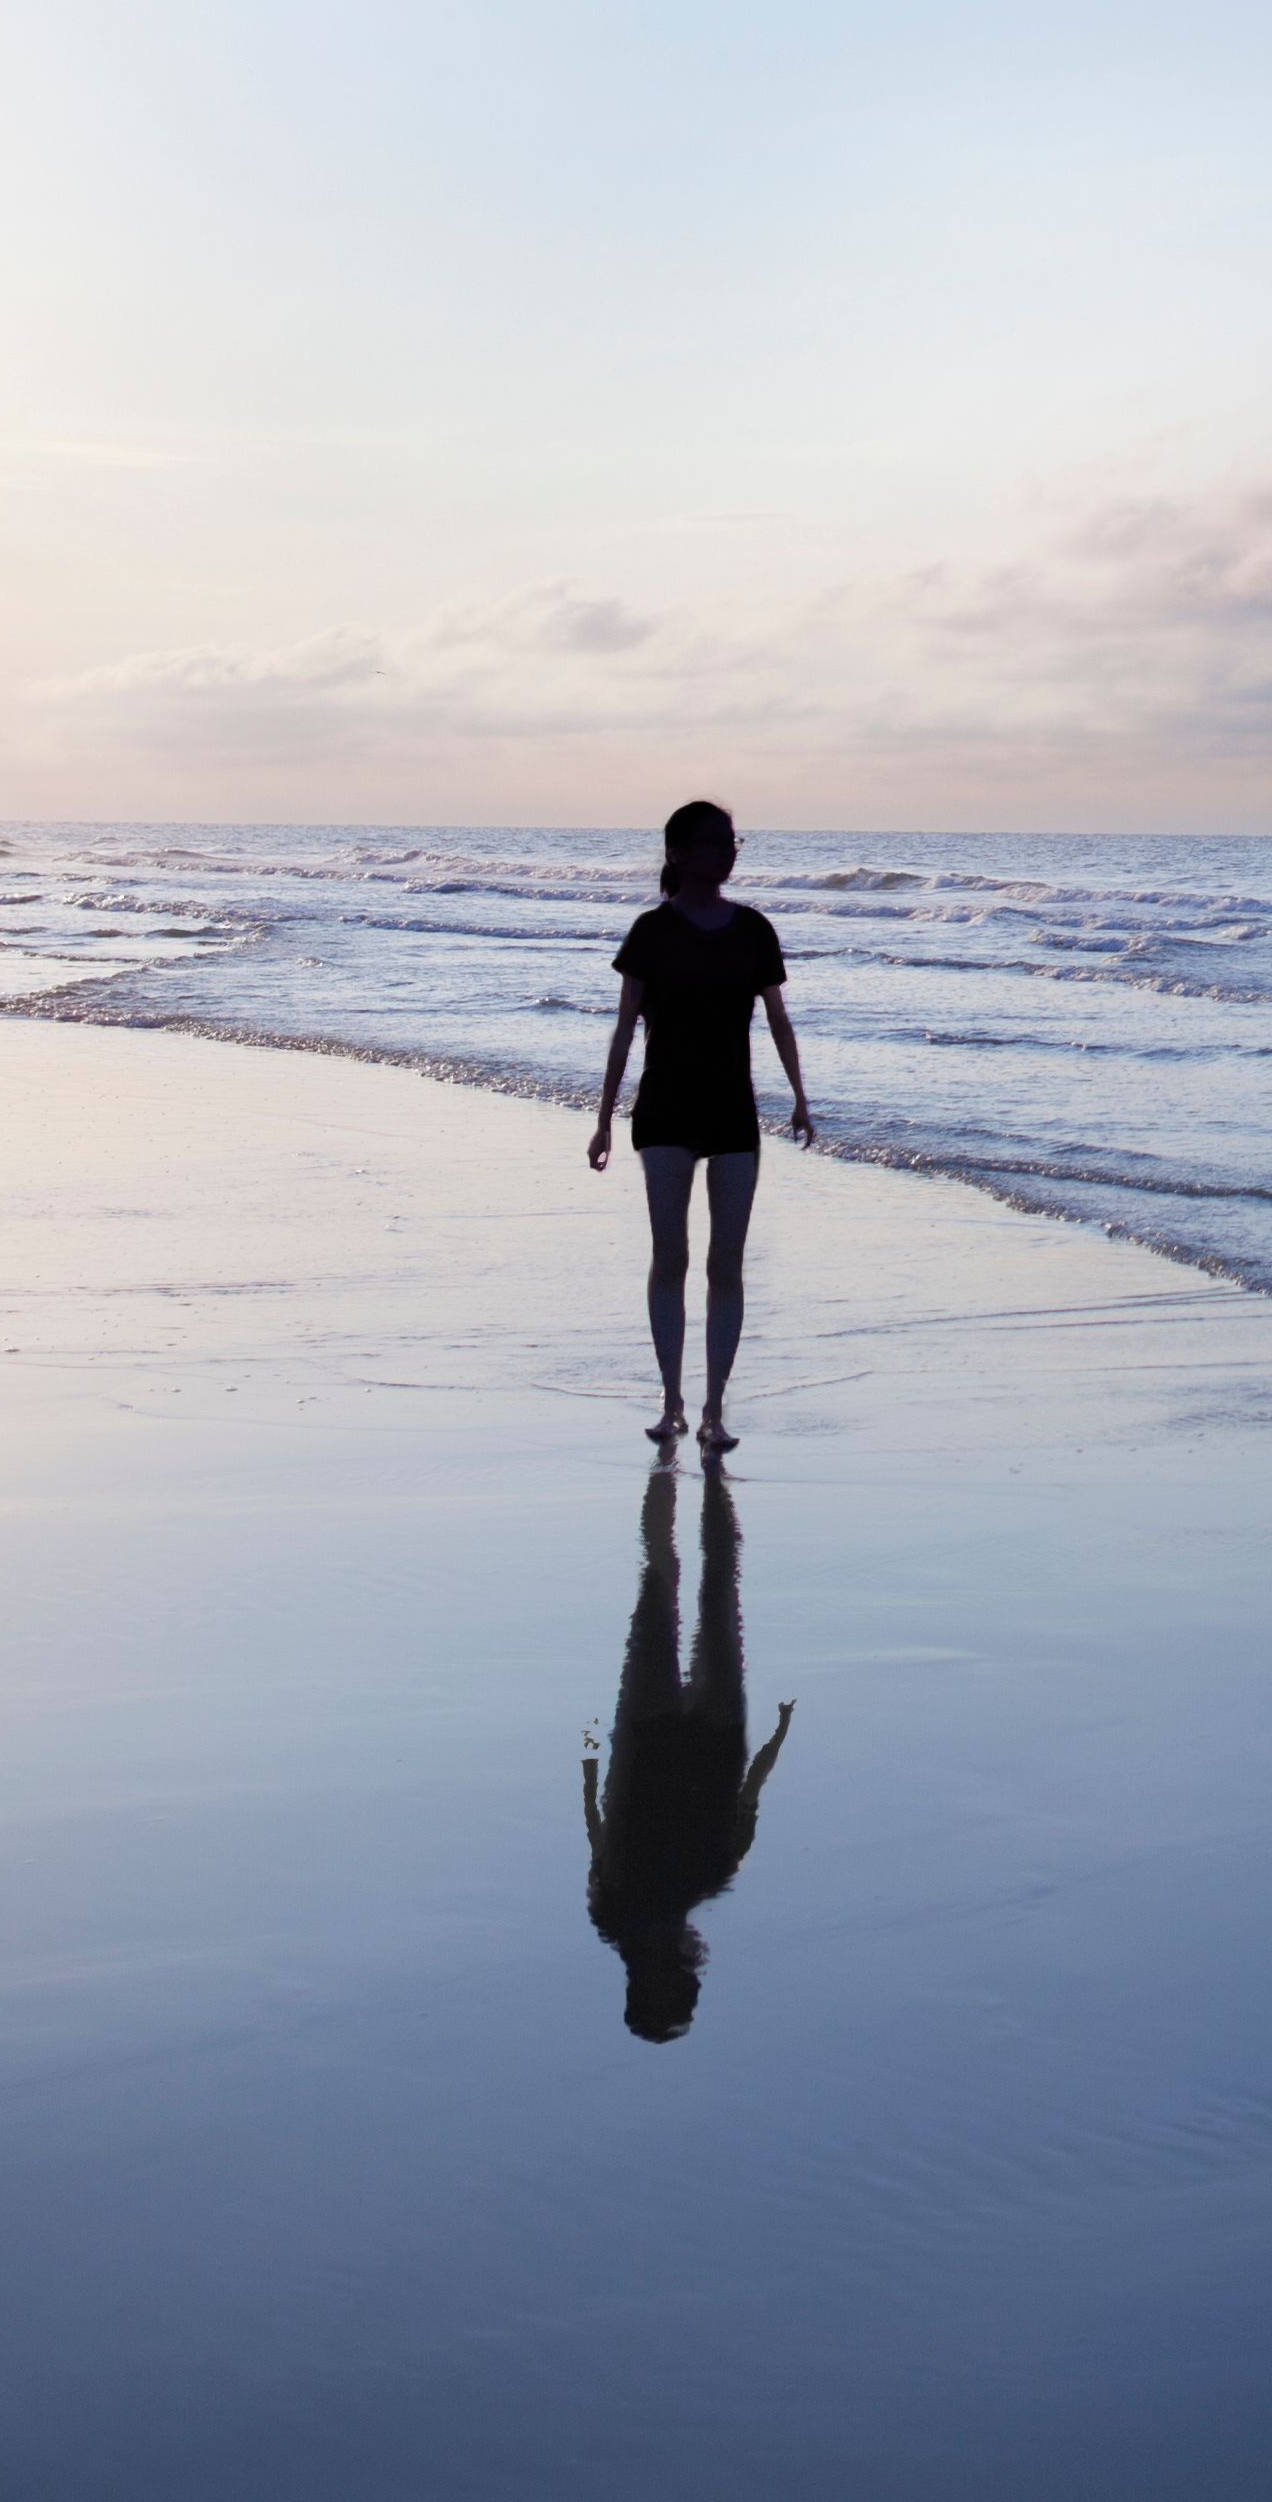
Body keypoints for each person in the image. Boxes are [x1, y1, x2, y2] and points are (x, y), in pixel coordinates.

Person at [587, 797, 809, 1455]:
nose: (727, 852)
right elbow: (625, 1028)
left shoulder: (754, 930)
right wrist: (602, 1118)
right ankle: (671, 1403)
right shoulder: (651, 932)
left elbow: (776, 1019)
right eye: (714, 842)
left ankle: (714, 1410)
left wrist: (800, 1096)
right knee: (672, 1257)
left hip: (733, 1113)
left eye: (733, 841)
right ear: (679, 853)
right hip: (663, 1112)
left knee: (727, 1264)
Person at [582, 1462, 793, 2043]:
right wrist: (589, 1745)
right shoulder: (627, 1901)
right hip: (665, 1735)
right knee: (672, 1585)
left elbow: (599, 1816)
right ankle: (694, 1463)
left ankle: (697, 1463)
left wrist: (591, 1745)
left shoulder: (708, 1876)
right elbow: (596, 1819)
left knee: (704, 1587)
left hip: (690, 1737)